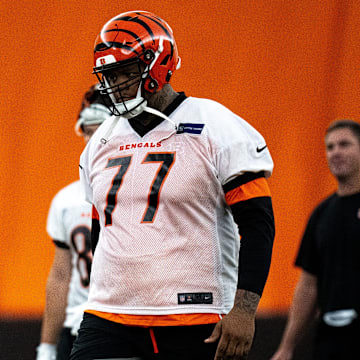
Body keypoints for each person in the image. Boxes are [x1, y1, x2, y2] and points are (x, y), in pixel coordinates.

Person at [70, 10, 275, 360]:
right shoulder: (101, 140)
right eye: (108, 75)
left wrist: (244, 309)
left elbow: (257, 224)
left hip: (194, 314)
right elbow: (99, 228)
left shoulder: (215, 126)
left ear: (156, 64)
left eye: (123, 72)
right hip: (109, 314)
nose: (113, 84)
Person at [270, 119, 360, 360]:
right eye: (330, 147)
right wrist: (286, 347)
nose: (336, 152)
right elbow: (308, 283)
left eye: (344, 144)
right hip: (331, 338)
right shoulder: (322, 213)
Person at [36, 84, 112, 360]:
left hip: (129, 323)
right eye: (88, 131)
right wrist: (47, 346)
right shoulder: (67, 200)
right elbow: (60, 275)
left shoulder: (141, 192)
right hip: (79, 327)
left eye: (101, 130)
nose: (93, 141)